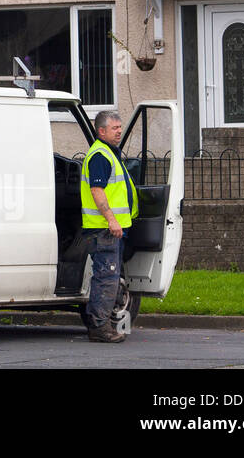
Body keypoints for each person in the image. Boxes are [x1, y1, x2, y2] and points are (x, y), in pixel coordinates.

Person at [81, 110, 139, 343]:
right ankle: (99, 327)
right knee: (106, 277)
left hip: (113, 228)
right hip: (105, 229)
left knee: (110, 276)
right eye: (114, 128)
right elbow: (98, 191)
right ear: (101, 131)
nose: (119, 131)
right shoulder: (100, 156)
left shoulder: (109, 154)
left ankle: (105, 323)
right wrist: (112, 220)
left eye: (119, 127)